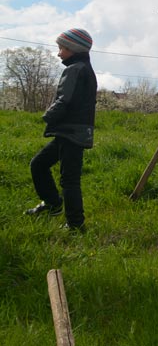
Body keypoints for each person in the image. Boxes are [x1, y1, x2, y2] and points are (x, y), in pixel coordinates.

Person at [25, 28, 97, 232]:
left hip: (71, 132)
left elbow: (64, 99)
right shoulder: (83, 67)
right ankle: (53, 204)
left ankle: (75, 224)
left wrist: (48, 116)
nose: (58, 53)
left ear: (73, 49)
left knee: (69, 179)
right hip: (71, 131)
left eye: (61, 48)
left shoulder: (75, 69)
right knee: (39, 164)